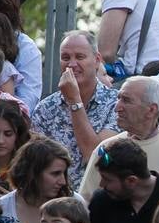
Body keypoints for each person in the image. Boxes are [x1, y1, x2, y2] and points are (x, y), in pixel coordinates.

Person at [30, 31, 120, 190]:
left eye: (79, 57)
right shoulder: (45, 109)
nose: (71, 64)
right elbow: (36, 165)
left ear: (97, 60)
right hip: (55, 200)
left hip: (100, 197)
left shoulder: (117, 104)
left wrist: (74, 102)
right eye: (65, 58)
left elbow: (96, 158)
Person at [79, 76, 159, 195]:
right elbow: (86, 201)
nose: (117, 108)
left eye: (126, 100)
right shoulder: (106, 149)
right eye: (119, 99)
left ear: (151, 110)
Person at [0, 137, 75, 223]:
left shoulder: (74, 204)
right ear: (32, 174)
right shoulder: (1, 208)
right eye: (55, 174)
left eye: (64, 173)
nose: (63, 181)